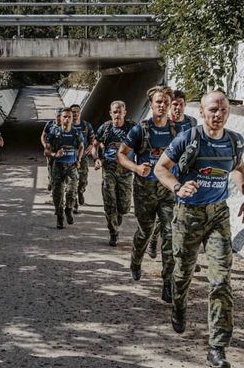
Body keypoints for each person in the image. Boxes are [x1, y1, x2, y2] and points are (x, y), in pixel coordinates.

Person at [154, 91, 244, 368]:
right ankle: (178, 305)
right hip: (188, 215)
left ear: (228, 111)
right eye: (212, 109)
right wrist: (177, 186)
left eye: (222, 109)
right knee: (182, 273)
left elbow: (237, 167)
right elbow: (162, 168)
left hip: (218, 215)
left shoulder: (234, 141)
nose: (217, 114)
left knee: (221, 281)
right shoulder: (189, 138)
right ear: (203, 112)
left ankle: (217, 347)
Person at [117, 86, 176, 301]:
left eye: (165, 102)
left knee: (170, 235)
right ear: (151, 105)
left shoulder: (176, 132)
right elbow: (121, 155)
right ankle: (136, 260)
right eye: (158, 102)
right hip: (144, 190)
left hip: (168, 191)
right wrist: (135, 168)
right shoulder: (140, 130)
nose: (162, 105)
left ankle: (168, 281)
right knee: (146, 232)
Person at [147, 90, 197, 259]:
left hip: (186, 176)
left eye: (181, 104)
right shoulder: (164, 125)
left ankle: (185, 254)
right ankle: (154, 238)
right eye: (174, 104)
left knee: (186, 217)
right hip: (168, 177)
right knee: (166, 216)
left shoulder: (191, 122)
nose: (178, 108)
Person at [94, 100, 135, 246]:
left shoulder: (132, 128)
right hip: (109, 169)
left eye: (120, 111)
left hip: (126, 171)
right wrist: (97, 159)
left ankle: (117, 219)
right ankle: (113, 233)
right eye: (114, 112)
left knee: (123, 207)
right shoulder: (105, 128)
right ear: (111, 113)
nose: (117, 115)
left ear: (125, 112)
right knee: (110, 203)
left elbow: (142, 145)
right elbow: (95, 145)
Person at [44, 107, 81, 229]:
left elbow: (81, 146)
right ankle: (59, 216)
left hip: (71, 167)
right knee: (57, 194)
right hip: (58, 166)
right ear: (60, 118)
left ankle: (68, 209)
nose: (67, 119)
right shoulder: (54, 132)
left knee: (72, 191)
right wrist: (55, 154)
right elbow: (47, 151)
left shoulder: (76, 132)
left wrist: (78, 159)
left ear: (72, 118)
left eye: (69, 117)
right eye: (64, 117)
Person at [70, 104, 98, 210]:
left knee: (83, 179)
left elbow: (92, 138)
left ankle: (81, 191)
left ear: (80, 112)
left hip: (84, 157)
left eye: (77, 112)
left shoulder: (86, 125)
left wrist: (91, 146)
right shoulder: (68, 126)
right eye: (73, 112)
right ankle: (74, 202)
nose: (75, 114)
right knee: (72, 180)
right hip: (71, 157)